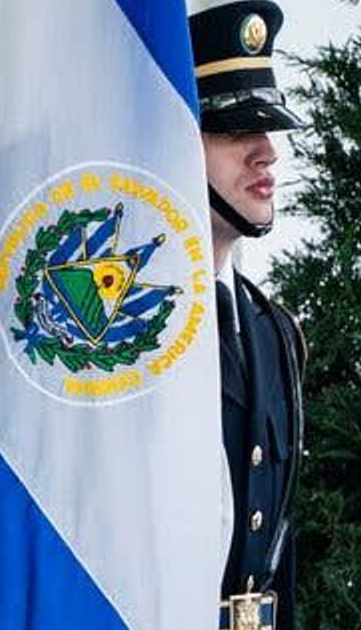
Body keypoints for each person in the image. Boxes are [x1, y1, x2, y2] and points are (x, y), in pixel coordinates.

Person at [188, 2, 306, 628]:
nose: (267, 154)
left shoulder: (275, 332)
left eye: (268, 131)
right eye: (236, 131)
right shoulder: (134, 336)